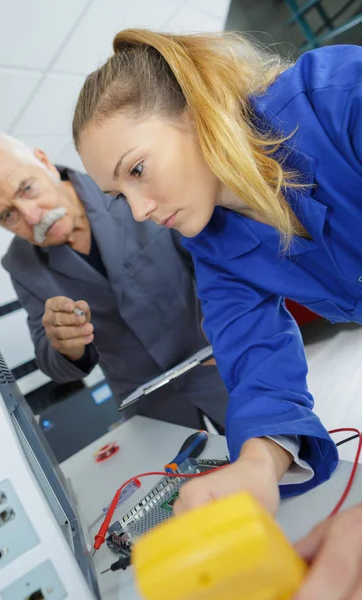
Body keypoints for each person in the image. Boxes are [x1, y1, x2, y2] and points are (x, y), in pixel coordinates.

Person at [72, 29, 362, 598]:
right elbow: (256, 359)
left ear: (195, 107)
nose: (139, 210)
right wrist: (257, 465)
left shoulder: (341, 99)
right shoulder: (213, 244)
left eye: (136, 170)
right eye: (118, 196)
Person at [0, 132, 230, 432]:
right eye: (7, 215)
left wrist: (226, 320)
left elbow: (213, 257)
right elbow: (52, 362)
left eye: (27, 189)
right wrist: (65, 345)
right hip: (148, 402)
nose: (32, 216)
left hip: (217, 362)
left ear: (44, 162)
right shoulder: (21, 265)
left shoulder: (123, 185)